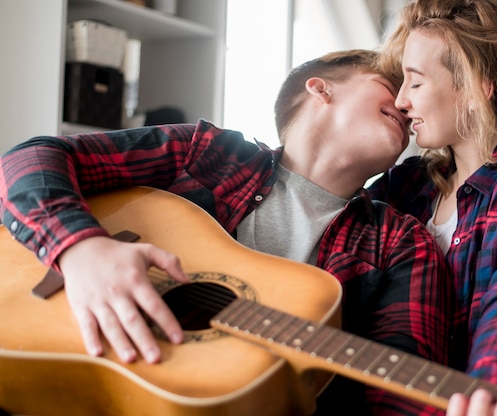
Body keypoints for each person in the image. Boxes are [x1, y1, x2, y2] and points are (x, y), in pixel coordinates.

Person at [0, 50, 450, 415]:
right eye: (392, 87)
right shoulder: (210, 153)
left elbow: (404, 398)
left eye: (412, 96)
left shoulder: (401, 244)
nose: (407, 105)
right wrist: (81, 249)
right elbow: (30, 159)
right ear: (321, 89)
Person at [369, 0, 497, 415]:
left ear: (475, 88)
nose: (400, 101)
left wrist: (491, 393)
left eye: (415, 82)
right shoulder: (404, 185)